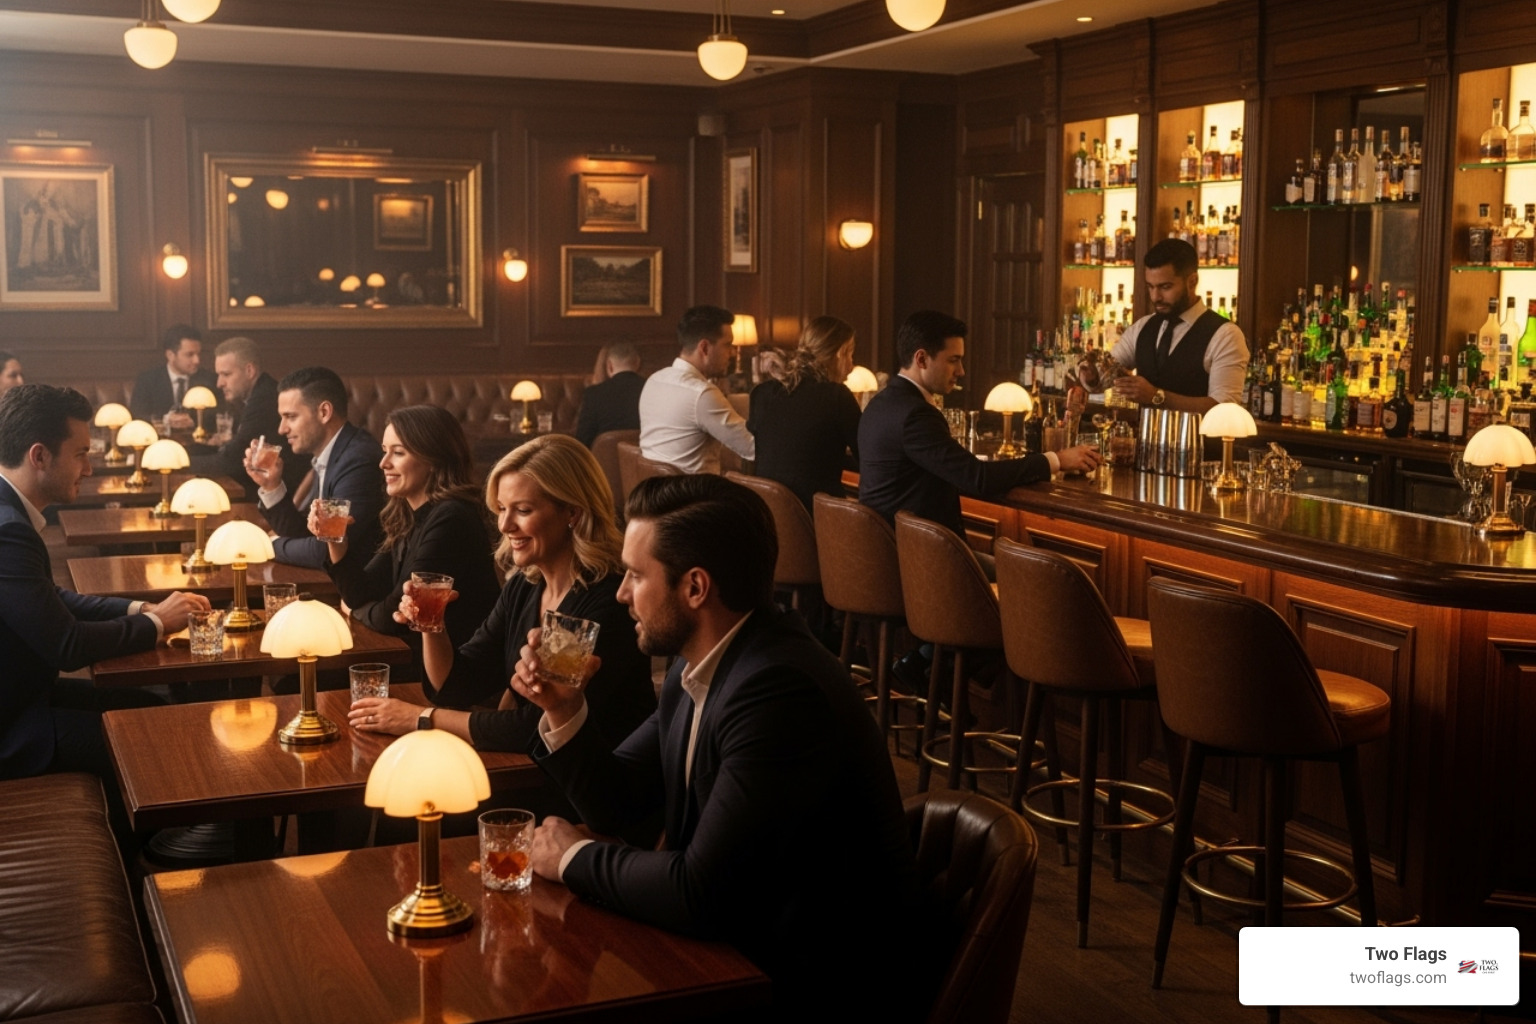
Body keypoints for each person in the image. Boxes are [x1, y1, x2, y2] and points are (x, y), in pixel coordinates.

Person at [512, 474, 919, 1019]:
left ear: (696, 587)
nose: (621, 594)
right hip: (732, 955)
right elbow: (618, 801)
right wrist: (562, 707)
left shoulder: (778, 689)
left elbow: (702, 893)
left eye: (635, 575)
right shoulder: (702, 661)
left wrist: (571, 857)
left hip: (809, 985)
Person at [349, 435, 654, 787]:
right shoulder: (525, 586)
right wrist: (433, 627)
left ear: (572, 512)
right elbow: (456, 686)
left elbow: (534, 726)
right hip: (535, 768)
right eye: (502, 509)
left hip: (590, 788)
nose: (505, 525)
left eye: (522, 511)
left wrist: (420, 718)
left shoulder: (600, 600)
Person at [0, 384, 208, 781]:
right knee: (152, 733)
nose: (90, 468)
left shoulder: (9, 514)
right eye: (81, 454)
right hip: (12, 726)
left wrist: (141, 609)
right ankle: (170, 839)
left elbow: (49, 598)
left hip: (22, 699)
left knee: (147, 705)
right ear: (39, 456)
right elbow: (68, 646)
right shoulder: (7, 530)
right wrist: (158, 623)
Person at [858, 309, 1100, 539]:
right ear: (921, 359)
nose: (961, 371)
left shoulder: (881, 402)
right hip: (922, 563)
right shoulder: (915, 414)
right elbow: (978, 478)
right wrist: (1057, 459)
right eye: (954, 360)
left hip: (891, 553)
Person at [316, 404, 499, 698]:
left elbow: (391, 616)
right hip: (417, 662)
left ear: (434, 459)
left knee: (307, 680)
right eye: (384, 450)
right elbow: (360, 592)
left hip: (454, 679)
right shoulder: (411, 515)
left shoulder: (451, 517)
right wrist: (335, 539)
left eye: (398, 453)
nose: (383, 463)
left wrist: (356, 611)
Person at [244, 366, 384, 571]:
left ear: (324, 412)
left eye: (291, 417)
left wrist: (266, 545)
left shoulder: (357, 461)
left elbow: (327, 549)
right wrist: (271, 486)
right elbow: (307, 536)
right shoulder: (333, 453)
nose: (281, 429)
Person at [1099, 237, 1249, 413]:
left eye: (1165, 287)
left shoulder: (1225, 335)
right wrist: (1094, 376)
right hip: (1143, 439)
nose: (1155, 297)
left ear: (1192, 282)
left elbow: (1225, 410)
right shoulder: (1143, 327)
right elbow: (1107, 372)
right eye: (1150, 287)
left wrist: (1156, 396)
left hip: (1196, 440)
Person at [747, 315, 861, 508]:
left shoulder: (762, 394)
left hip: (766, 515)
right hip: (815, 516)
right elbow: (867, 456)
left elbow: (795, 452)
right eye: (851, 355)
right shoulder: (837, 396)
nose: (851, 366)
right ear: (841, 353)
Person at [638, 305, 754, 474]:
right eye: (728, 345)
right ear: (705, 348)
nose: (732, 353)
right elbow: (753, 447)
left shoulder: (654, 380)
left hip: (654, 494)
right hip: (696, 496)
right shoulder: (701, 393)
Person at [207, 336, 302, 499]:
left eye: (226, 374)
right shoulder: (257, 393)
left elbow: (232, 461)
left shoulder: (265, 399)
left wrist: (179, 463)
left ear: (250, 371)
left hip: (281, 497)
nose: (219, 383)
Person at [129, 324, 220, 428]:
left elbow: (220, 415)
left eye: (198, 354)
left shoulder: (210, 380)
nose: (197, 361)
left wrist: (193, 421)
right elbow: (137, 416)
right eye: (189, 355)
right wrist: (165, 420)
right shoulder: (148, 380)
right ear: (170, 355)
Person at [573, 342, 644, 448]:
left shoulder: (594, 394)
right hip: (641, 462)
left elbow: (583, 440)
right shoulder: (652, 389)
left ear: (609, 365)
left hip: (601, 463)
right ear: (637, 363)